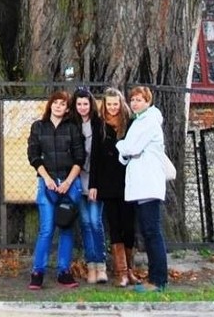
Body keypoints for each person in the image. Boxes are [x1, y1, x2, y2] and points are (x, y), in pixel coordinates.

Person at [26, 89, 85, 290]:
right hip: (47, 183)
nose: (59, 106)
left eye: (63, 104)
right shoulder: (38, 127)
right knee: (47, 228)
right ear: (51, 104)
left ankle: (64, 272)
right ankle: (37, 272)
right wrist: (48, 179)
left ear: (68, 108)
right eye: (56, 103)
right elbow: (33, 155)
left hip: (70, 184)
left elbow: (80, 158)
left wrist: (68, 182)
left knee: (66, 228)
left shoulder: (72, 128)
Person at [116, 84, 169, 292]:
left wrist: (121, 146)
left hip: (148, 183)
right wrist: (127, 150)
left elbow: (130, 148)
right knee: (148, 232)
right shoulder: (139, 121)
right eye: (133, 100)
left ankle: (158, 281)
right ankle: (155, 277)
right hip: (141, 184)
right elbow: (128, 154)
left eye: (140, 99)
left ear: (148, 101)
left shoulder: (149, 122)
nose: (135, 103)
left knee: (152, 231)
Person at [95, 86, 138, 286]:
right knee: (114, 226)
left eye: (115, 104)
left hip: (129, 180)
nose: (112, 108)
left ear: (121, 104)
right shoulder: (100, 125)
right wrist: (94, 184)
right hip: (108, 182)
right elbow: (95, 156)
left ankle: (130, 269)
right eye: (109, 104)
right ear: (104, 105)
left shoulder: (130, 123)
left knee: (129, 226)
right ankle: (121, 272)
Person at [70, 85, 108, 283]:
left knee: (95, 222)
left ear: (91, 104)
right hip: (77, 179)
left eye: (85, 103)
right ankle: (90, 265)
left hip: (95, 181)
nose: (82, 107)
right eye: (79, 104)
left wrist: (95, 184)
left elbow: (101, 157)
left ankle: (101, 265)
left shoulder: (98, 124)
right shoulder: (72, 125)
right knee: (84, 223)